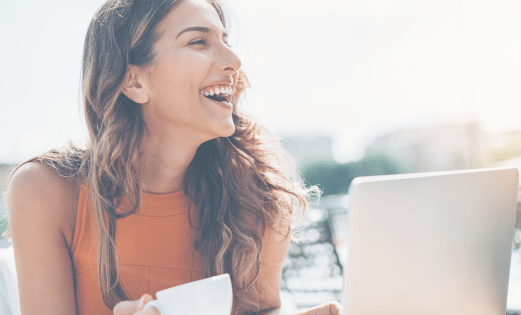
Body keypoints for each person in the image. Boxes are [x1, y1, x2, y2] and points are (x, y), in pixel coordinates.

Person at [4, 0, 343, 314]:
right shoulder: (45, 190)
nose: (235, 61)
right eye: (199, 42)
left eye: (226, 39)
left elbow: (264, 309)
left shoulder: (257, 197)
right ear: (134, 82)